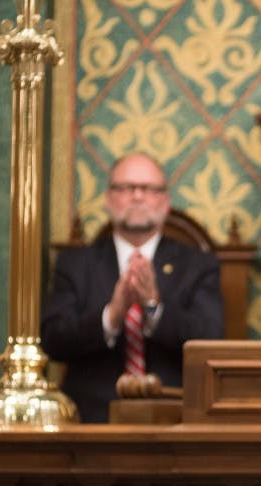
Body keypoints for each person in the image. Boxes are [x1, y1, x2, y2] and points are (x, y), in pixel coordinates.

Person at [41, 153, 224, 422]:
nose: (137, 196)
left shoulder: (198, 265)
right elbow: (52, 341)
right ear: (108, 199)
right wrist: (111, 316)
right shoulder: (76, 264)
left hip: (176, 415)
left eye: (148, 189)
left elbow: (211, 339)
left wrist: (154, 307)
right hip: (91, 419)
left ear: (165, 201)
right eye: (126, 188)